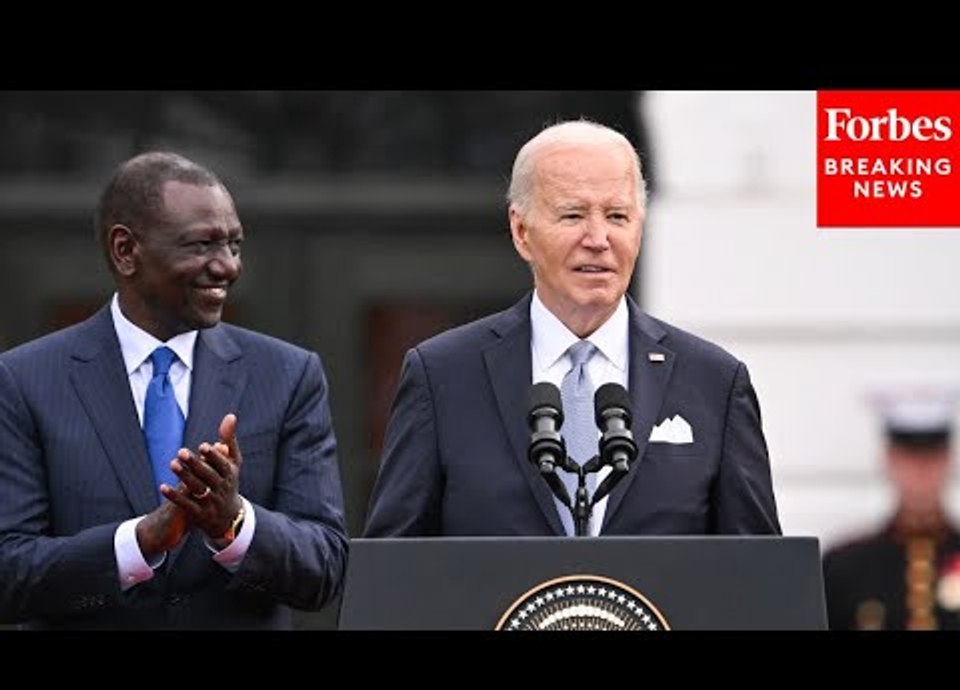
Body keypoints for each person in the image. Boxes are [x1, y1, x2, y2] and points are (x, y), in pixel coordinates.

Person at [363, 119, 781, 537]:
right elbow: (393, 569)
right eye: (573, 214)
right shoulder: (442, 377)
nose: (598, 238)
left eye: (617, 216)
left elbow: (759, 576)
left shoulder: (713, 383)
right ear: (521, 230)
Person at [0, 151, 348, 629]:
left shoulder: (288, 376)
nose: (226, 267)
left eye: (234, 245)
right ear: (126, 250)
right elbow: (10, 572)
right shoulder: (24, 381)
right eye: (201, 245)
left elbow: (325, 568)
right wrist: (139, 542)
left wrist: (235, 523)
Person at [822, 390, 960, 630]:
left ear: (949, 459)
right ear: (888, 460)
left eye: (931, 456)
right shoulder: (845, 567)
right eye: (909, 457)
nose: (921, 471)